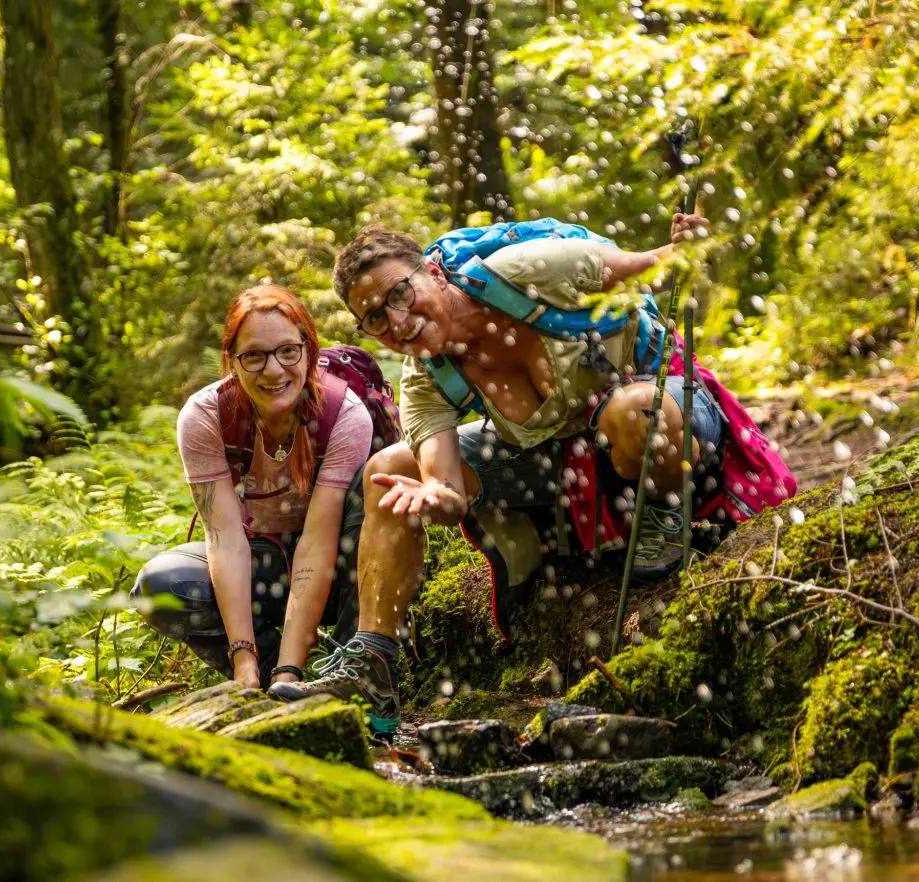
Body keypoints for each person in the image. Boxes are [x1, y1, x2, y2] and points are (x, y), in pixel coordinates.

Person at [269, 212, 734, 731]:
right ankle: (374, 664)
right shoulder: (426, 380)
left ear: (433, 273)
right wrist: (439, 499)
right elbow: (443, 484)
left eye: (399, 295)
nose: (396, 323)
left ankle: (663, 513)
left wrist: (689, 244)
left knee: (631, 411)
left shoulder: (529, 271)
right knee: (390, 466)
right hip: (564, 463)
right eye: (375, 318)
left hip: (665, 411)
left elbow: (656, 268)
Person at [132, 285, 377, 697]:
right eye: (255, 356)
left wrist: (291, 664)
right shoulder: (205, 416)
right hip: (258, 563)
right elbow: (225, 539)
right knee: (161, 588)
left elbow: (317, 543)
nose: (274, 370)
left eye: (287, 351)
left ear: (308, 350)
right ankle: (265, 681)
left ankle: (352, 673)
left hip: (339, 571)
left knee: (373, 496)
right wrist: (243, 656)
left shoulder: (346, 416)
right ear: (232, 361)